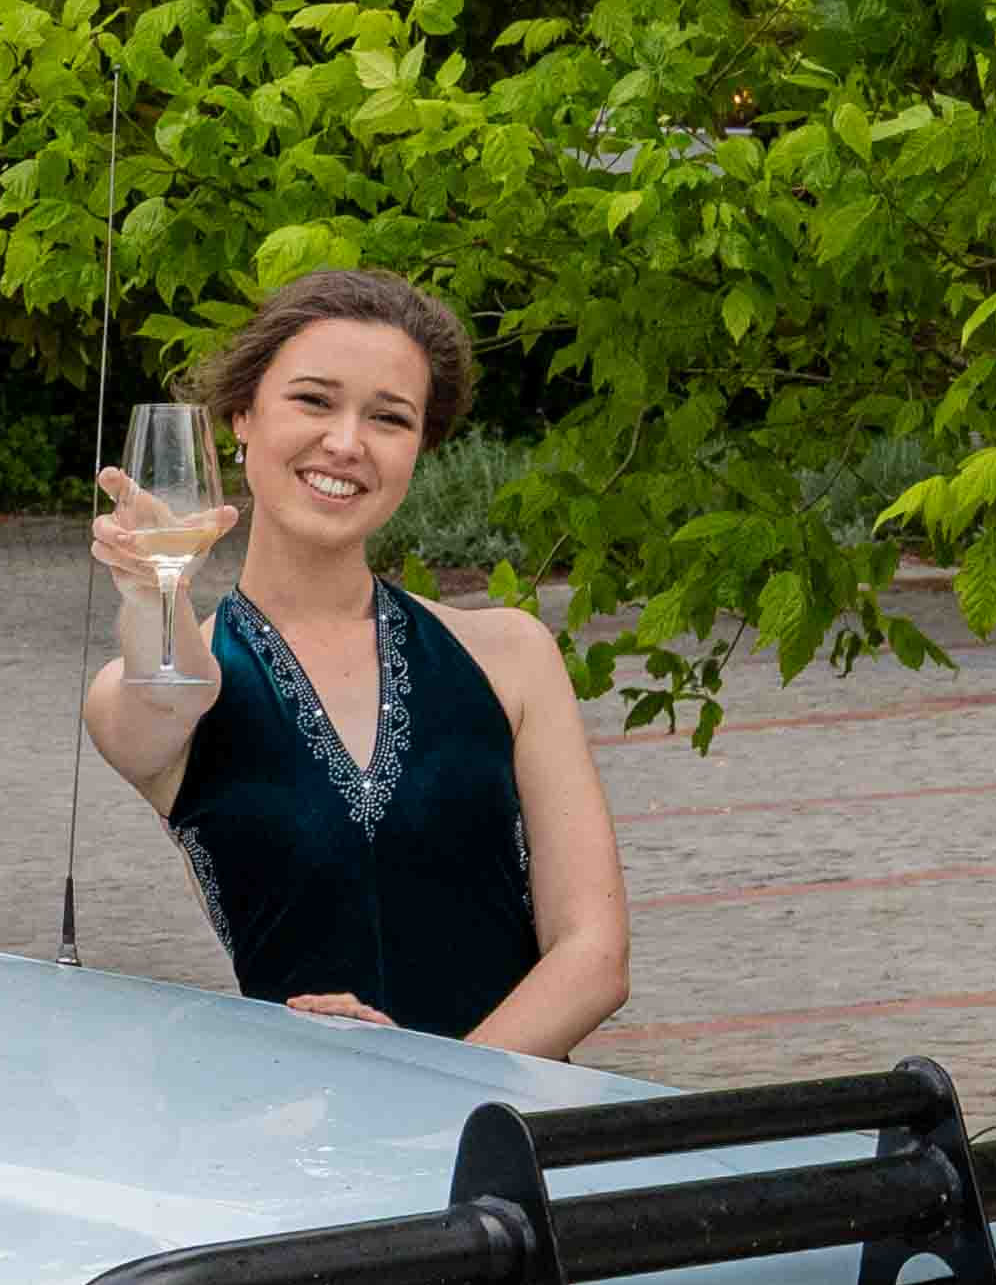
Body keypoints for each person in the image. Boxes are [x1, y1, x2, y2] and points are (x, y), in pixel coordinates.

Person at [83, 265, 628, 1053]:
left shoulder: (508, 655)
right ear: (240, 414)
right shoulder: (157, 693)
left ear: (419, 447)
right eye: (312, 400)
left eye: (388, 417)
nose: (345, 442)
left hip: (506, 1139)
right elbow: (168, 689)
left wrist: (434, 1103)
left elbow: (594, 954)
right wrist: (154, 591)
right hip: (306, 1144)